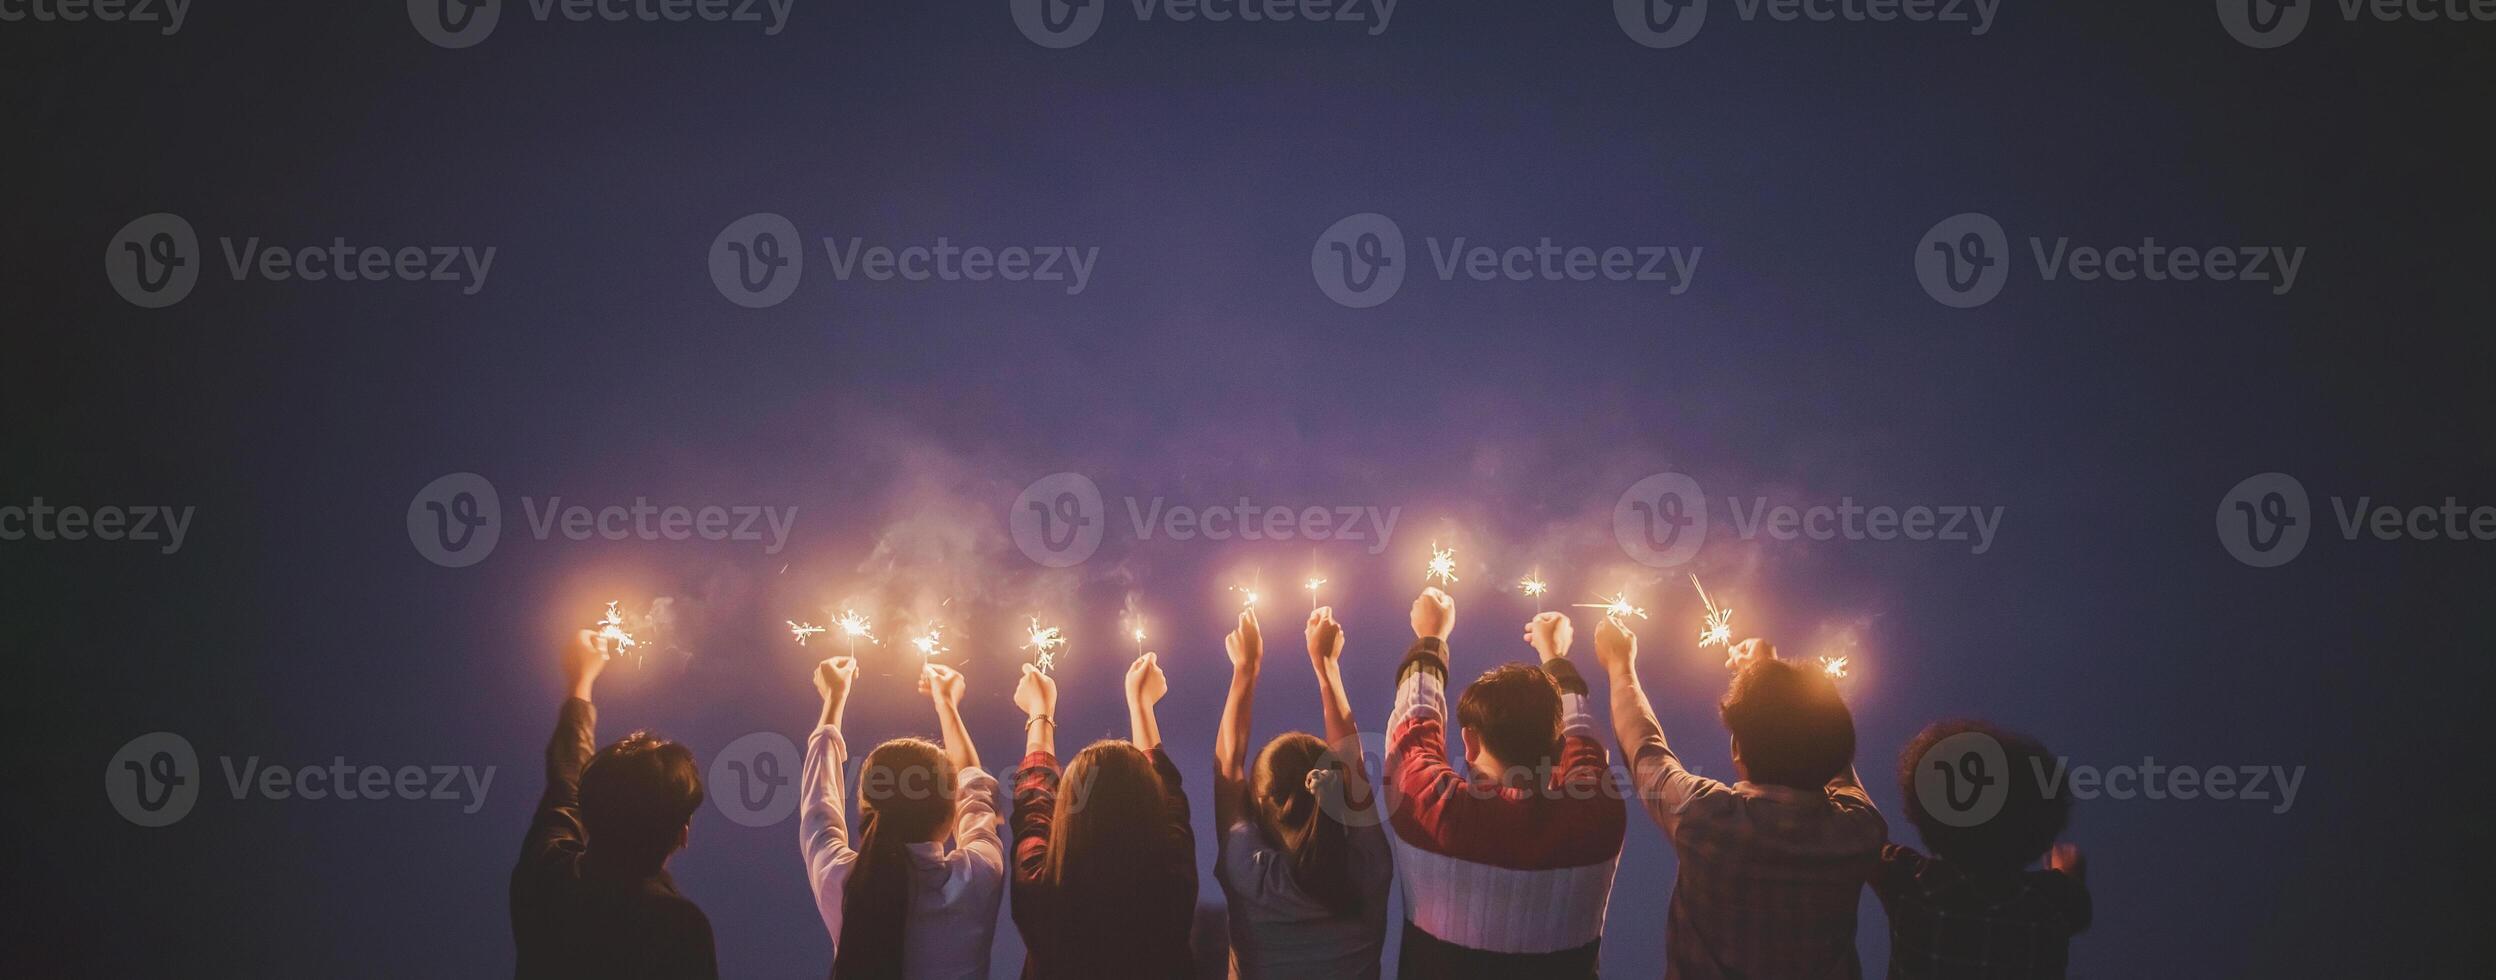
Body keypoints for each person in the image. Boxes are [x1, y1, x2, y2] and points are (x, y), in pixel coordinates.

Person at [1592, 623, 1886, 980]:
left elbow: (1643, 746)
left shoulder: (1706, 819)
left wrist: (1620, 662)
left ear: (1736, 750)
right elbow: (1834, 759)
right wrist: (1772, 684)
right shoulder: (1859, 833)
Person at [1383, 588, 1626, 978]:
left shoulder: (1432, 810)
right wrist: (1556, 657)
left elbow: (1413, 727)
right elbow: (1585, 741)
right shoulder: (1597, 821)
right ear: (1559, 747)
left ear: (1470, 740)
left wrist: (1432, 639)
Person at [512, 629, 717, 980]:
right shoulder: (679, 925)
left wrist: (580, 681)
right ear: (682, 834)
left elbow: (564, 783)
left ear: (588, 811)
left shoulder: (546, 877)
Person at [1213, 607, 1394, 979]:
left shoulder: (1250, 874)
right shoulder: (1367, 867)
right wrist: (1326, 665)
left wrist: (1245, 669)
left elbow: (1228, 767)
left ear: (1259, 803)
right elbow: (1351, 762)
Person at [800, 656, 1006, 979]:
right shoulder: (977, 878)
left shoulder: (844, 883)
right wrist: (947, 704)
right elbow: (975, 789)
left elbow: (818, 807)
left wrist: (834, 698)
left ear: (867, 808)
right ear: (950, 811)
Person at [1010, 651, 1198, 979]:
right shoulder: (1169, 883)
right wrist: (1141, 704)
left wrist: (1040, 712)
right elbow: (1169, 797)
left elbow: (1034, 801)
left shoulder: (1040, 885)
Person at [1874, 721, 2090, 979]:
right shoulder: (2053, 901)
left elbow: (1857, 836)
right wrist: (2068, 868)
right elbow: (2076, 897)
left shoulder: (1910, 881)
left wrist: (1840, 763)